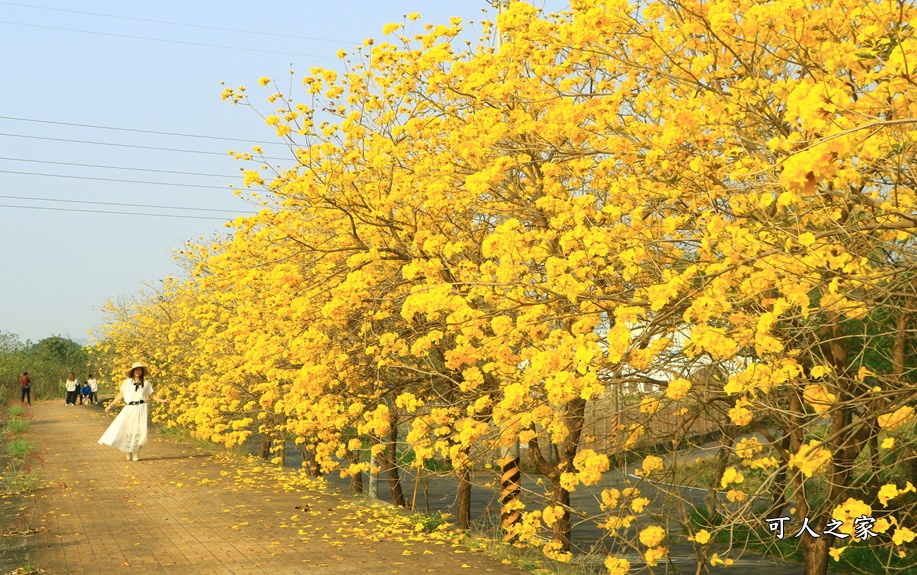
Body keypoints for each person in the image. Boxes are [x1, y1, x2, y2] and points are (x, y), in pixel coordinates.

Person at [98, 362, 169, 461]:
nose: (138, 372)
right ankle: (129, 450)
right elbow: (120, 396)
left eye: (140, 370)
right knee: (129, 429)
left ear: (142, 372)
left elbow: (152, 396)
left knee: (140, 430)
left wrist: (163, 400)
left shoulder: (146, 383)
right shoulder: (127, 383)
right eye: (136, 370)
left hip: (141, 408)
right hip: (130, 408)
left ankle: (136, 452)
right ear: (133, 371)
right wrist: (110, 405)